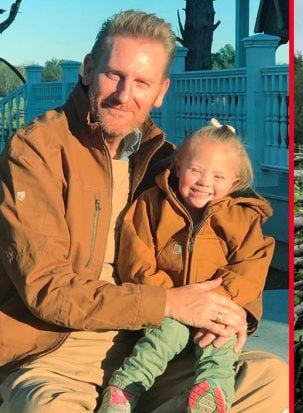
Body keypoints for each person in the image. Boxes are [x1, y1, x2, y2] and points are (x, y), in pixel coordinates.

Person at [0, 10, 287, 413]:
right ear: (88, 70)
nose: (124, 94)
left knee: (269, 381)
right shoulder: (37, 151)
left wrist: (237, 310)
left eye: (141, 82)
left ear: (161, 91)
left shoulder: (167, 165)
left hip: (153, 349)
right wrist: (168, 304)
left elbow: (234, 242)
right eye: (114, 75)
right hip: (55, 353)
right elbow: (47, 289)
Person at [98, 119, 274, 413]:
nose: (205, 182)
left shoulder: (243, 218)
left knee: (221, 344)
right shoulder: (152, 205)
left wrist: (224, 303)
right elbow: (136, 257)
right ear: (178, 166)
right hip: (169, 308)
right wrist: (169, 298)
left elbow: (252, 266)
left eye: (219, 176)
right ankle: (123, 393)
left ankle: (210, 396)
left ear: (235, 182)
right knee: (158, 343)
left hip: (216, 308)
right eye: (196, 170)